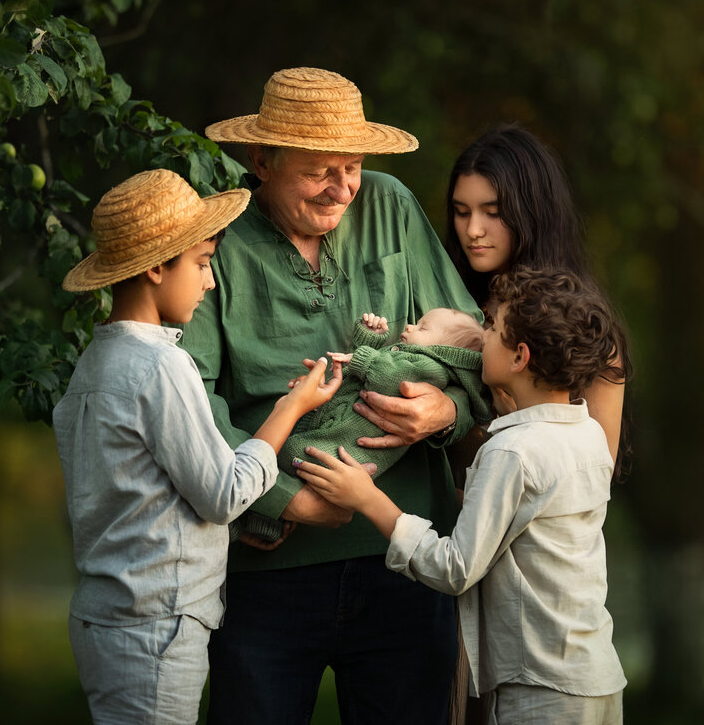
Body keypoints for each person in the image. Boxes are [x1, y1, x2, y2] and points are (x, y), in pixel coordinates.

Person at [184, 67, 481, 724]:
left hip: (406, 557)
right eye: (321, 169)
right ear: (261, 160)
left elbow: (476, 352)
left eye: (352, 165)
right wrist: (285, 500)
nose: (343, 186)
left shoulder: (390, 204)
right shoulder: (218, 239)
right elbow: (187, 402)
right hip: (266, 571)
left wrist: (447, 411)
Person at [52, 168, 343, 724]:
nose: (210, 283)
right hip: (156, 621)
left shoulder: (94, 363)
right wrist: (291, 409)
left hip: (106, 616)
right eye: (204, 264)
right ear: (158, 268)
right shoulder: (162, 365)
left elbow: (139, 495)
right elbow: (225, 492)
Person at [295, 266, 629, 725]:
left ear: (519, 357)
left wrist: (367, 498)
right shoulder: (588, 433)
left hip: (539, 687)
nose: (480, 333)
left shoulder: (511, 451)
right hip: (593, 675)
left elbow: (455, 568)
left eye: (491, 327)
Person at [444, 123, 630, 465]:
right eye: (461, 211)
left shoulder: (584, 328)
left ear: (532, 212)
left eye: (493, 212)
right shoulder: (445, 304)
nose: (472, 230)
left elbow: (595, 474)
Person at [234, 308, 493, 543]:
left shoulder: (430, 368)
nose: (410, 327)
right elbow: (366, 375)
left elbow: (391, 379)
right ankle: (263, 523)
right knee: (290, 459)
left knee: (292, 453)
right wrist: (368, 342)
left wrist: (363, 356)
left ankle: (256, 519)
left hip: (348, 451)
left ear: (444, 350)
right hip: (342, 435)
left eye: (423, 328)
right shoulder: (408, 357)